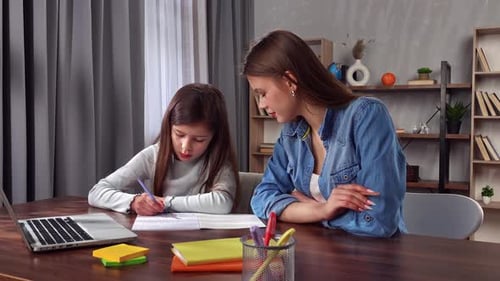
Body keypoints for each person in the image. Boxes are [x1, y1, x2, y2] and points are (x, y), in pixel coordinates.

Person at [244, 30, 406, 237]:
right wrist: (322, 209)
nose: (263, 104)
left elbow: (377, 222)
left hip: (374, 259)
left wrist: (302, 205)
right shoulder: (291, 135)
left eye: (263, 94)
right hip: (322, 254)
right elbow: (261, 198)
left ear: (290, 81)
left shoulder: (366, 116)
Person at [88, 83, 240, 216]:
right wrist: (133, 202)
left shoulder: (218, 160)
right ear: (168, 128)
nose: (186, 146)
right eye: (179, 134)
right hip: (160, 239)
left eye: (199, 139)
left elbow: (223, 202)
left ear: (215, 137)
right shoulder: (154, 155)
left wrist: (166, 202)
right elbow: (96, 192)